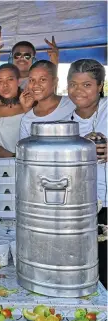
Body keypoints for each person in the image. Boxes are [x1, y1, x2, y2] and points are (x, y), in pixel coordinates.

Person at [65, 59, 107, 288]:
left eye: (87, 84)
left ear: (100, 86)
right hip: (80, 207)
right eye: (73, 84)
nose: (78, 91)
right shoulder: (67, 123)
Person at [0, 64, 31, 157]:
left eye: (10, 79)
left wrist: (27, 109)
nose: (5, 85)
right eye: (0, 81)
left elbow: (37, 137)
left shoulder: (32, 105)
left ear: (19, 81)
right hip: (2, 167)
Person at [19, 60, 75, 139]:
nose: (35, 85)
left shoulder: (72, 104)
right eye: (32, 80)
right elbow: (26, 149)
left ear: (55, 81)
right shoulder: (27, 119)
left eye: (42, 79)